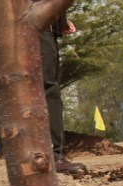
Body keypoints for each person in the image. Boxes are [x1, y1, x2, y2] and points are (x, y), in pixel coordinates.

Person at [42, 14, 86, 173]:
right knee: (48, 90)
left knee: (46, 88)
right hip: (37, 25)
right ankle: (53, 157)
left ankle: (50, 156)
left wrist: (60, 18)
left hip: (44, 24)